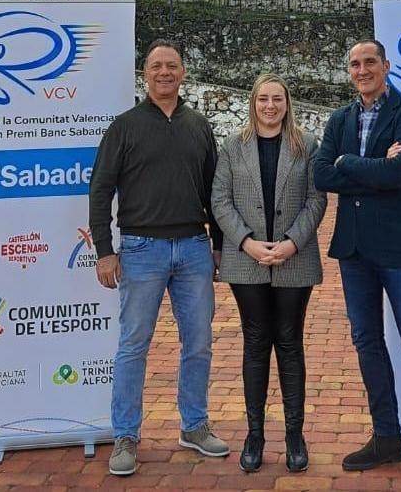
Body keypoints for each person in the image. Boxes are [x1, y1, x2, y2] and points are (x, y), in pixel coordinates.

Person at [313, 39, 401, 488]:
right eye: (354, 64)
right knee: (367, 342)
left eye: (369, 61)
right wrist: (371, 169)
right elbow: (321, 174)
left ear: (386, 66)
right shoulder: (340, 118)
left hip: (399, 251)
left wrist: (350, 164)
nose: (362, 69)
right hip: (354, 251)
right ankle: (387, 437)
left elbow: (397, 175)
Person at [88, 40, 228, 477]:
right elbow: (100, 190)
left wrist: (218, 243)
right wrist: (105, 251)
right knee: (133, 346)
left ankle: (195, 425)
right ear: (144, 74)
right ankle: (126, 435)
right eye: (155, 67)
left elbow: (215, 193)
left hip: (192, 249)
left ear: (183, 72)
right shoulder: (124, 127)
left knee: (199, 343)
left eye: (171, 66)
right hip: (140, 250)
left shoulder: (199, 126)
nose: (164, 73)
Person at [211, 73, 326, 474]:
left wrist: (293, 241)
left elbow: (317, 198)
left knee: (290, 341)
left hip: (295, 258)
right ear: (253, 102)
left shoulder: (307, 145)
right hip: (247, 259)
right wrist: (246, 242)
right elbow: (219, 199)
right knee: (256, 341)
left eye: (277, 98)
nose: (270, 106)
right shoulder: (232, 146)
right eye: (263, 98)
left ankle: (295, 434)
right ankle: (255, 434)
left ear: (287, 103)